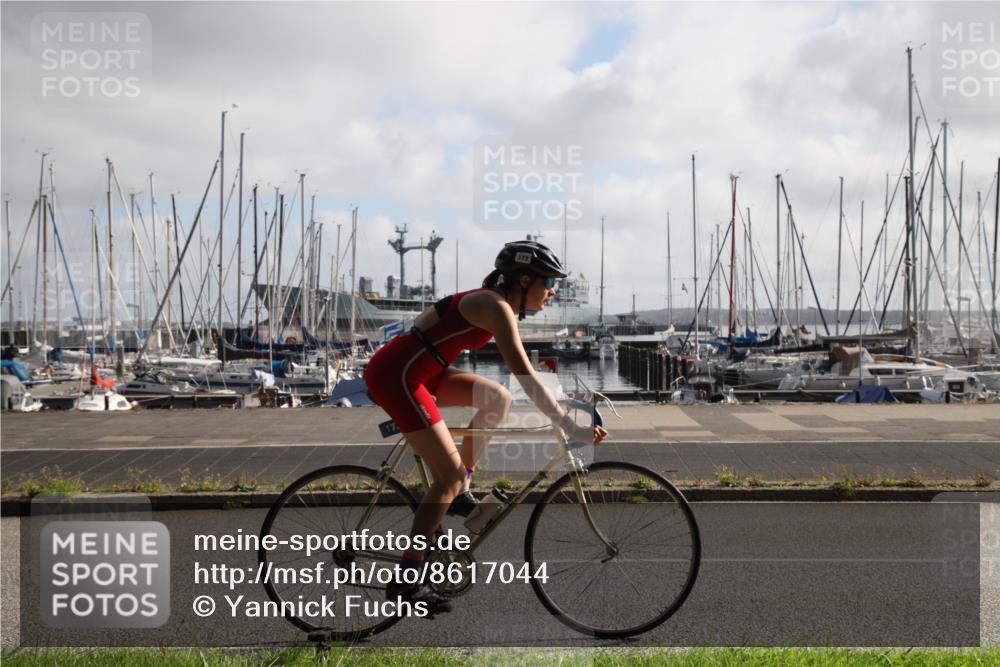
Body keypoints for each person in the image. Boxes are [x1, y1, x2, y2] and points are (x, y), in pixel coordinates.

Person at [364, 239, 608, 612]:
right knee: (445, 477)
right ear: (524, 280)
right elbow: (525, 375)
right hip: (398, 375)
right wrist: (568, 426)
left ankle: (460, 490)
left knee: (497, 398)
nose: (552, 291)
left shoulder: (492, 302)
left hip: (421, 371)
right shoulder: (495, 307)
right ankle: (406, 580)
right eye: (548, 282)